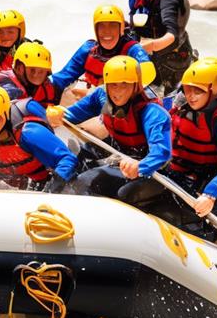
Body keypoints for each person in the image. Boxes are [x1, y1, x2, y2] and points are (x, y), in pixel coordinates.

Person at [46, 56, 173, 215]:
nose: (117, 91)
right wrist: (57, 115)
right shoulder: (101, 96)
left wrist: (140, 167)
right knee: (79, 163)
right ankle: (49, 197)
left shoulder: (152, 112)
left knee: (120, 192)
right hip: (120, 153)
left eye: (124, 84)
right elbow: (71, 115)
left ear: (136, 85)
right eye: (113, 84)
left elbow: (161, 152)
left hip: (153, 169)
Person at [164, 62, 217, 239]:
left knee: (207, 219)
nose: (191, 96)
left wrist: (211, 193)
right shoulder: (180, 108)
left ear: (213, 91)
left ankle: (214, 239)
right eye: (188, 89)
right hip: (183, 175)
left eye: (198, 91)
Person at [53, 4, 151, 97]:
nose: (107, 31)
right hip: (94, 97)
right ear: (96, 30)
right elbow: (64, 75)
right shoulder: (88, 48)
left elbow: (148, 74)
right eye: (101, 26)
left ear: (121, 29)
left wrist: (101, 91)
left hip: (122, 99)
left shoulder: (133, 49)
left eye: (112, 25)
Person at [0, 41, 63, 107]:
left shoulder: (47, 85)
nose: (36, 75)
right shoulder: (10, 88)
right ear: (19, 68)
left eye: (41, 71)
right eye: (32, 70)